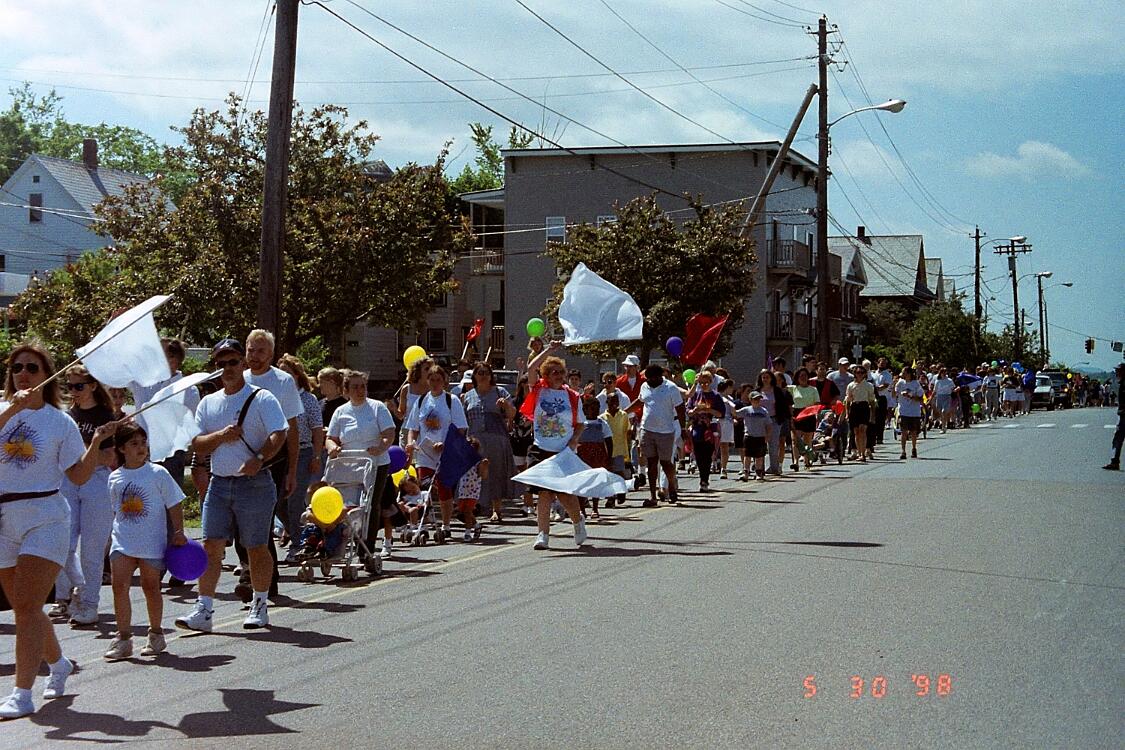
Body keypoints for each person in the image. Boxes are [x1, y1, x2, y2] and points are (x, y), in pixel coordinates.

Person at [0, 342, 114, 719]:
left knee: (29, 605)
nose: (24, 374)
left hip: (47, 515)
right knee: (23, 606)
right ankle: (59, 663)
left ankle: (21, 692)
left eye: (32, 368)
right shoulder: (2, 411)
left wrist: (96, 443)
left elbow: (78, 475)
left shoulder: (59, 420)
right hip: (4, 518)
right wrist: (13, 407)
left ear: (45, 375)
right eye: (17, 367)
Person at [175, 338, 288, 633]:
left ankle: (259, 603)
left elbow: (279, 434)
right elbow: (196, 442)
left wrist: (259, 459)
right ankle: (204, 608)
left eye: (233, 362)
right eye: (221, 363)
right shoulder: (209, 402)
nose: (227, 368)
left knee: (255, 547)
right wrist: (221, 437)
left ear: (243, 363)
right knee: (211, 545)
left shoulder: (262, 398)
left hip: (255, 484)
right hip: (220, 483)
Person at [103, 423, 187, 661]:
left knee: (151, 587)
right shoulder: (115, 478)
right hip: (123, 541)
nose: (141, 448)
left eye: (143, 442)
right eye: (134, 444)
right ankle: (123, 638)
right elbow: (115, 511)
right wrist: (109, 539)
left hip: (151, 542)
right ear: (121, 448)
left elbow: (174, 503)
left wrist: (178, 532)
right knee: (119, 587)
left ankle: (156, 633)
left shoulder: (157, 473)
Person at [54, 364, 118, 626]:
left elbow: (109, 456)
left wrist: (87, 452)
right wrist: (86, 452)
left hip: (97, 482)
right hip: (68, 480)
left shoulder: (106, 416)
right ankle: (67, 595)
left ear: (92, 386)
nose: (74, 392)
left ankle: (90, 603)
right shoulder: (67, 416)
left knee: (92, 548)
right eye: (69, 386)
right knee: (62, 543)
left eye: (78, 386)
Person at [519, 346, 587, 550]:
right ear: (546, 375)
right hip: (541, 447)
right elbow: (531, 368)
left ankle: (578, 522)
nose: (558, 375)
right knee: (545, 493)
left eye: (561, 372)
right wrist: (548, 349)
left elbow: (581, 423)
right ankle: (543, 534)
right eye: (553, 372)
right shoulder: (539, 390)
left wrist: (574, 440)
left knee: (565, 493)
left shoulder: (573, 396)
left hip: (564, 451)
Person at [326, 370, 396, 558]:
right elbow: (330, 438)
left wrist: (381, 447)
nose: (360, 390)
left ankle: (366, 548)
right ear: (346, 390)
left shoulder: (377, 407)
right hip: (348, 464)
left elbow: (389, 433)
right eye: (355, 387)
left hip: (374, 463)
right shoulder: (341, 411)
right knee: (347, 506)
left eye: (363, 386)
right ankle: (335, 545)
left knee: (370, 504)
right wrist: (332, 448)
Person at [405, 365, 469, 540]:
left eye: (438, 380)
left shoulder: (451, 400)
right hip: (425, 453)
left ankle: (445, 524)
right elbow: (413, 428)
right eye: (431, 380)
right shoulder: (421, 401)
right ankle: (423, 521)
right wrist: (411, 442)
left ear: (444, 381)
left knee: (444, 489)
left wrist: (447, 444)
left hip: (445, 452)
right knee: (424, 488)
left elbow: (461, 428)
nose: (434, 383)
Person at [277, 355, 325, 563]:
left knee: (295, 500)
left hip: (304, 452)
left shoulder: (308, 399)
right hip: (280, 454)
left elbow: (317, 430)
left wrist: (316, 455)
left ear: (296, 375)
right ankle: (301, 534)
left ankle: (297, 544)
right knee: (278, 503)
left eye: (288, 372)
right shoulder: (275, 398)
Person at [461, 362, 517, 524]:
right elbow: (463, 420)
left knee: (495, 473)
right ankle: (474, 508)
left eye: (486, 372)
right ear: (475, 376)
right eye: (480, 373)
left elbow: (513, 414)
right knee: (473, 474)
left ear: (491, 375)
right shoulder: (467, 396)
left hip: (496, 438)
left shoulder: (500, 392)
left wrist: (506, 405)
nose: (483, 375)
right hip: (474, 441)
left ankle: (496, 509)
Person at [630, 364, 685, 507]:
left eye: (652, 378)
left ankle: (671, 486)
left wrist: (683, 428)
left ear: (659, 377)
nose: (649, 381)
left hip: (666, 431)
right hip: (647, 430)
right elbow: (640, 401)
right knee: (651, 462)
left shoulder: (670, 388)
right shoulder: (644, 386)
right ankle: (653, 496)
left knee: (666, 462)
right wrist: (625, 411)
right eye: (647, 378)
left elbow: (680, 408)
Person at [575, 396, 613, 518]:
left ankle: (595, 508)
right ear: (585, 409)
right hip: (582, 455)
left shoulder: (602, 423)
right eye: (592, 408)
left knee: (595, 481)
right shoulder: (580, 424)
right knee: (582, 482)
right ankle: (582, 509)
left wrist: (609, 457)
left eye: (597, 408)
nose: (596, 410)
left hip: (598, 455)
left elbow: (609, 441)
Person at [686, 371, 724, 491]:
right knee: (698, 454)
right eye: (701, 383)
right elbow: (689, 411)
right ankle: (702, 477)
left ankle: (704, 480)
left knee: (707, 455)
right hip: (697, 427)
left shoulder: (715, 396)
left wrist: (709, 409)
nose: (703, 385)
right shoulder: (695, 395)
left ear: (710, 382)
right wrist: (695, 411)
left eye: (706, 383)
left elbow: (721, 413)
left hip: (710, 428)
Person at [455, 437, 489, 542]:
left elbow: (483, 476)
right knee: (461, 512)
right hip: (462, 490)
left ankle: (467, 532)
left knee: (468, 511)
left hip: (473, 490)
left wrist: (485, 466)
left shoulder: (478, 462)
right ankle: (476, 525)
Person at [602, 394, 631, 508]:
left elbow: (627, 431)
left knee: (619, 472)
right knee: (608, 474)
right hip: (607, 450)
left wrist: (627, 447)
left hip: (619, 449)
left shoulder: (623, 415)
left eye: (616, 400)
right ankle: (610, 497)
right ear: (607, 402)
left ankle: (621, 491)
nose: (614, 403)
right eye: (611, 400)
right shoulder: (602, 417)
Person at [789, 368, 820, 470]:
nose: (803, 378)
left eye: (805, 376)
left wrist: (814, 413)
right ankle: (796, 461)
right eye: (801, 376)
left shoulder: (813, 389)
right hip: (797, 414)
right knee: (795, 439)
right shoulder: (793, 389)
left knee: (807, 439)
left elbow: (817, 403)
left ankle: (807, 459)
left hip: (809, 414)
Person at [845, 364, 877, 462]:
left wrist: (872, 414)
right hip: (855, 407)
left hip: (864, 407)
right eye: (857, 372)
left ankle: (863, 453)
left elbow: (872, 401)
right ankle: (859, 453)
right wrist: (847, 413)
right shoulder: (851, 385)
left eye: (862, 373)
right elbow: (848, 401)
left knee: (863, 430)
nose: (859, 375)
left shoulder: (868, 386)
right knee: (856, 432)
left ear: (865, 374)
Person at [736, 392, 771, 480]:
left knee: (759, 456)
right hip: (749, 436)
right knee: (747, 456)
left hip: (760, 436)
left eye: (759, 399)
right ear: (751, 400)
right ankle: (746, 472)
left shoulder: (763, 411)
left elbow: (768, 424)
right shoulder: (746, 410)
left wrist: (768, 435)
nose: (757, 401)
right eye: (755, 399)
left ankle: (758, 472)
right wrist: (728, 403)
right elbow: (736, 413)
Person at [895, 367, 925, 459]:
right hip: (903, 410)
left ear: (908, 373)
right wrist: (893, 385)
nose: (902, 374)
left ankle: (914, 448)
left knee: (913, 432)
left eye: (904, 372)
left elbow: (920, 398)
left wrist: (910, 396)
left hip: (914, 411)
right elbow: (894, 394)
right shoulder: (900, 383)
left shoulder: (916, 383)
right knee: (904, 432)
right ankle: (903, 451)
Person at [1103, 363, 1125, 471]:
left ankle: (1115, 461)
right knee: (1118, 438)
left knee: (1118, 438)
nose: (1116, 373)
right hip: (1122, 414)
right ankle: (1114, 461)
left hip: (1124, 415)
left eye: (1118, 370)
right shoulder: (1122, 383)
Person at [872, 358, 893, 445]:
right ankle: (873, 436)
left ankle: (880, 437)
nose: (882, 365)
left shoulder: (887, 374)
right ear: (877, 363)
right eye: (881, 363)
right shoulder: (873, 374)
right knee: (873, 417)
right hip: (873, 397)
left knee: (880, 418)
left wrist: (876, 389)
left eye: (884, 363)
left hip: (882, 397)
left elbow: (885, 385)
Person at [932, 367, 955, 432]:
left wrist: (956, 389)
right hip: (939, 397)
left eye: (945, 372)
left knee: (944, 411)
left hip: (947, 396)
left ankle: (943, 426)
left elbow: (953, 388)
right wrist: (931, 399)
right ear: (940, 373)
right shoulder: (937, 381)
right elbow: (935, 391)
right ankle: (942, 421)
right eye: (943, 372)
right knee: (939, 411)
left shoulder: (949, 380)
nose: (944, 374)